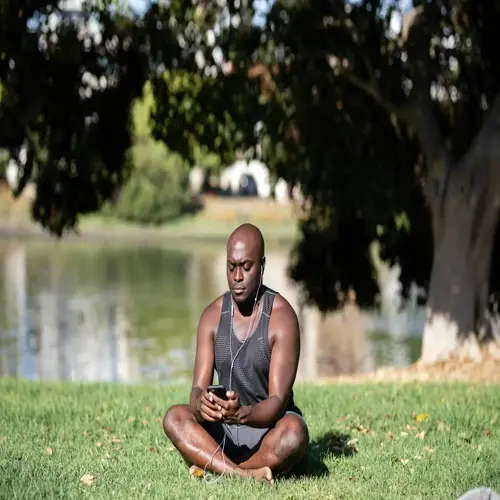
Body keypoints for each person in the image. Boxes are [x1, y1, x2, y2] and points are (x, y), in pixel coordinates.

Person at [163, 223, 309, 484]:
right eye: (231, 267)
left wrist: (242, 414)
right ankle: (244, 474)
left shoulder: (282, 318)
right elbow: (197, 389)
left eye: (246, 266)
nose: (237, 276)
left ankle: (213, 463)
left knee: (294, 435)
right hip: (225, 429)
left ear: (262, 266)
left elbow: (277, 402)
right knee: (175, 417)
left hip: (268, 428)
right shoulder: (211, 316)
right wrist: (201, 405)